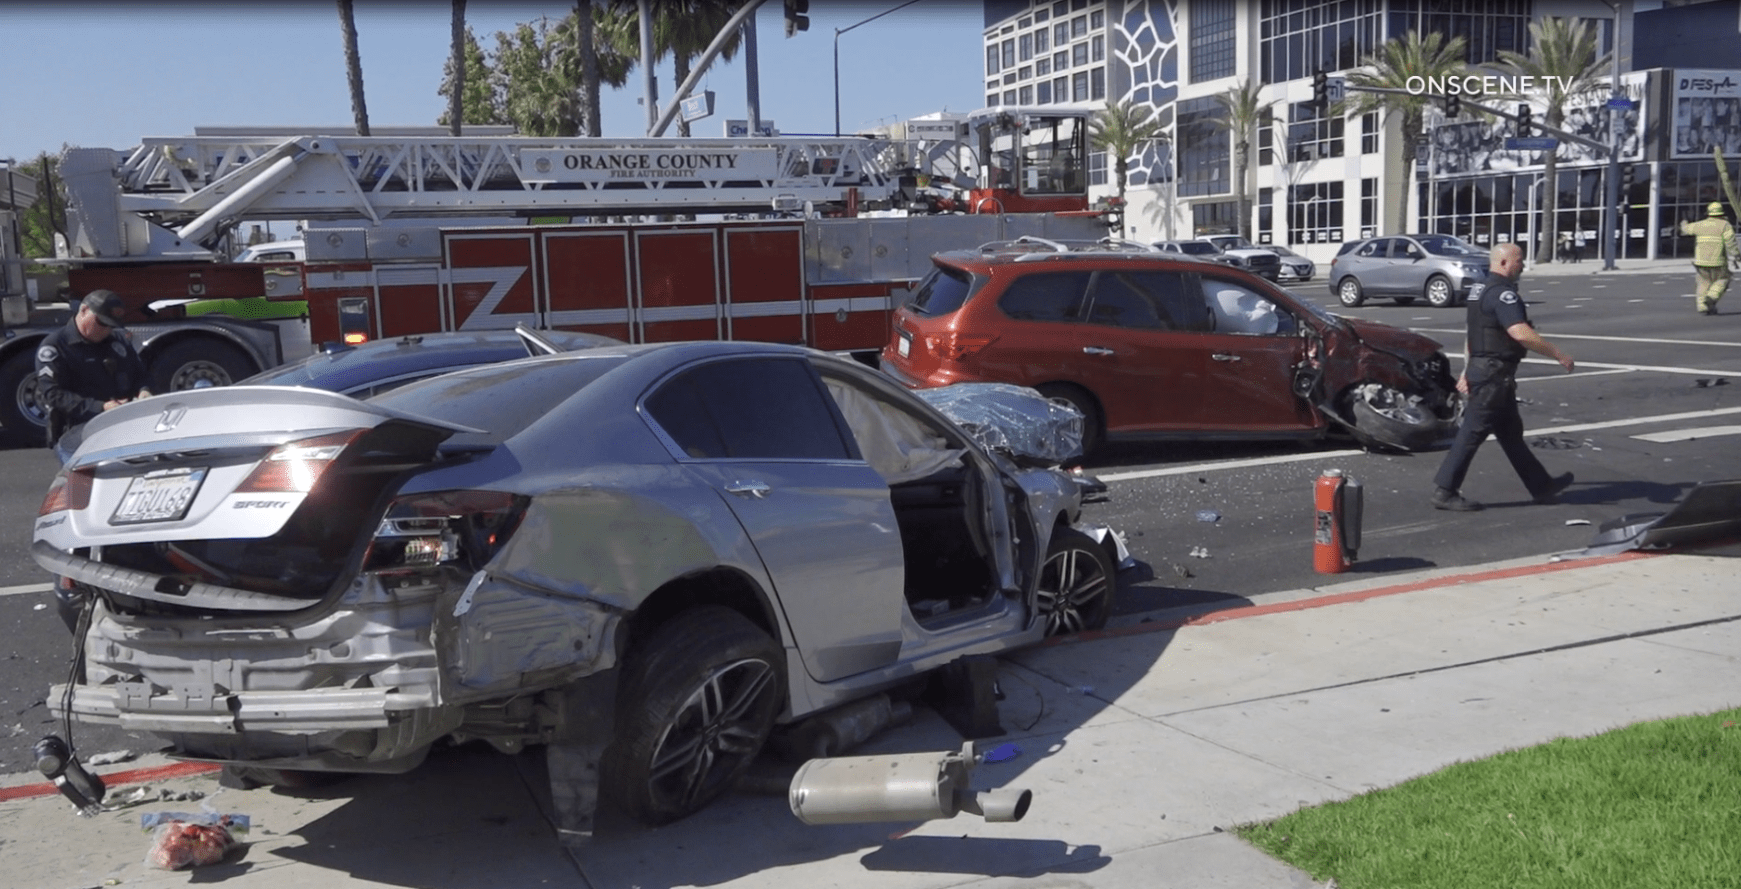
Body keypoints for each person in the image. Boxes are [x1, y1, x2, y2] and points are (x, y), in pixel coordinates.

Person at [1430, 243, 1576, 512]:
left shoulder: (1479, 290)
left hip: (1489, 373)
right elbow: (1520, 333)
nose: (1523, 266)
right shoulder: (1503, 295)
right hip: (1493, 376)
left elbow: (1473, 333)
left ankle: (1541, 485)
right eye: (1519, 261)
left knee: (1510, 434)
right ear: (1505, 263)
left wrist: (1467, 369)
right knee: (1472, 432)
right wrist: (1558, 354)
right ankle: (1445, 490)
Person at [34, 290, 151, 449]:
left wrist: (143, 390)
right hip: (78, 427)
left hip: (122, 423)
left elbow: (139, 374)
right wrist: (100, 407)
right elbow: (54, 395)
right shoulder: (56, 346)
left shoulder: (117, 341)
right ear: (83, 311)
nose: (106, 330)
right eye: (101, 322)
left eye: (111, 325)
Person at [1679, 201, 1740, 316]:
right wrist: (1737, 255)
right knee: (1723, 280)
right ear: (1721, 213)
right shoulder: (1725, 225)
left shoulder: (1700, 225)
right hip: (1718, 262)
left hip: (1701, 262)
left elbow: (1685, 229)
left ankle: (1702, 306)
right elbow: (1730, 243)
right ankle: (1712, 297)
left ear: (1708, 213)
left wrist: (1683, 223)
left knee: (1703, 283)